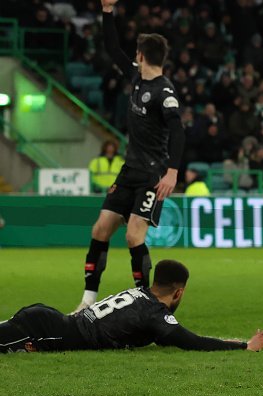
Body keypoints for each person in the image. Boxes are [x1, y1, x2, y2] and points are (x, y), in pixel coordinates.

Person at [73, 0, 185, 313]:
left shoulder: (165, 92)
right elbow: (112, 48)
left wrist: (172, 172)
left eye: (136, 52)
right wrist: (107, 11)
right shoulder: (137, 77)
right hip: (128, 172)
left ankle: (146, 304)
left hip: (151, 175)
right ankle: (87, 300)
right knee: (100, 230)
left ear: (141, 55)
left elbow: (178, 131)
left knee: (134, 236)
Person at [1, 260, 263, 353]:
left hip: (47, 321)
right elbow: (190, 341)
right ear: (179, 292)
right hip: (45, 331)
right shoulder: (154, 314)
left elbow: (169, 338)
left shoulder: (140, 293)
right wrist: (245, 346)